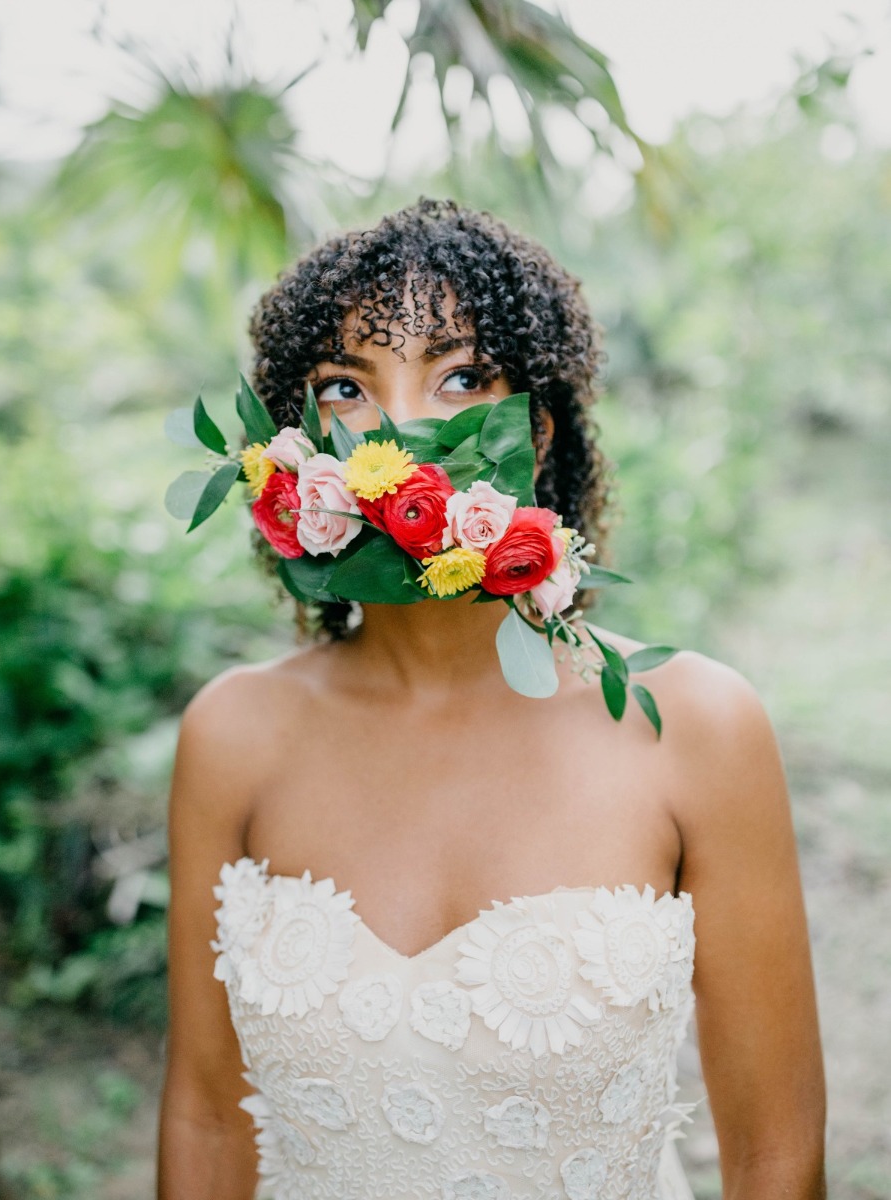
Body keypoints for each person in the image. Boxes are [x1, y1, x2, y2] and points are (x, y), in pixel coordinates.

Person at [156, 198, 826, 1199]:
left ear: (538, 428)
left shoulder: (694, 727)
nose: (402, 425)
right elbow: (207, 1119)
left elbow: (776, 1159)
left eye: (461, 375)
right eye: (346, 385)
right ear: (288, 456)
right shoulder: (233, 736)